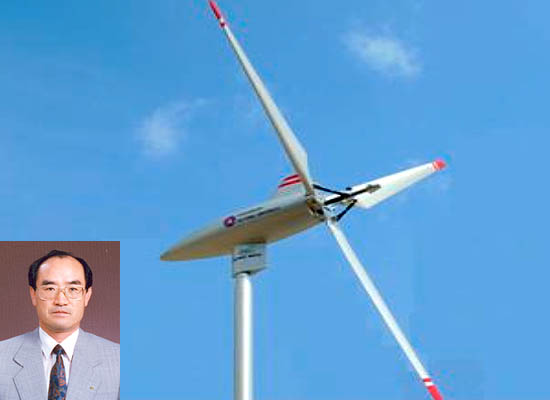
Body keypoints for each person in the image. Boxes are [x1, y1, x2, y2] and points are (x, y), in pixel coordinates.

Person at [0, 250, 120, 400]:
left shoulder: (120, 360)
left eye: (73, 289)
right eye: (50, 289)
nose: (61, 301)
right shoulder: (2, 357)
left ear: (87, 296)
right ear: (33, 294)